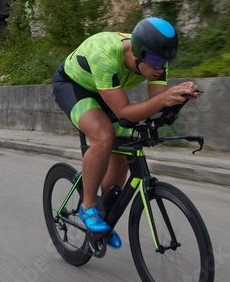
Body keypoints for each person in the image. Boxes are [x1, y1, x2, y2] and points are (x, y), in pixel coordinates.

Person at [52, 17, 201, 248]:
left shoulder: (156, 58)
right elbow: (124, 112)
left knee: (122, 153)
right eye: (153, 61)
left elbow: (156, 104)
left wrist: (179, 97)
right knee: (104, 137)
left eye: (165, 62)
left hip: (107, 89)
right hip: (74, 86)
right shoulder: (106, 56)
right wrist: (164, 98)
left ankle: (104, 217)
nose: (159, 68)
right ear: (137, 53)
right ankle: (87, 207)